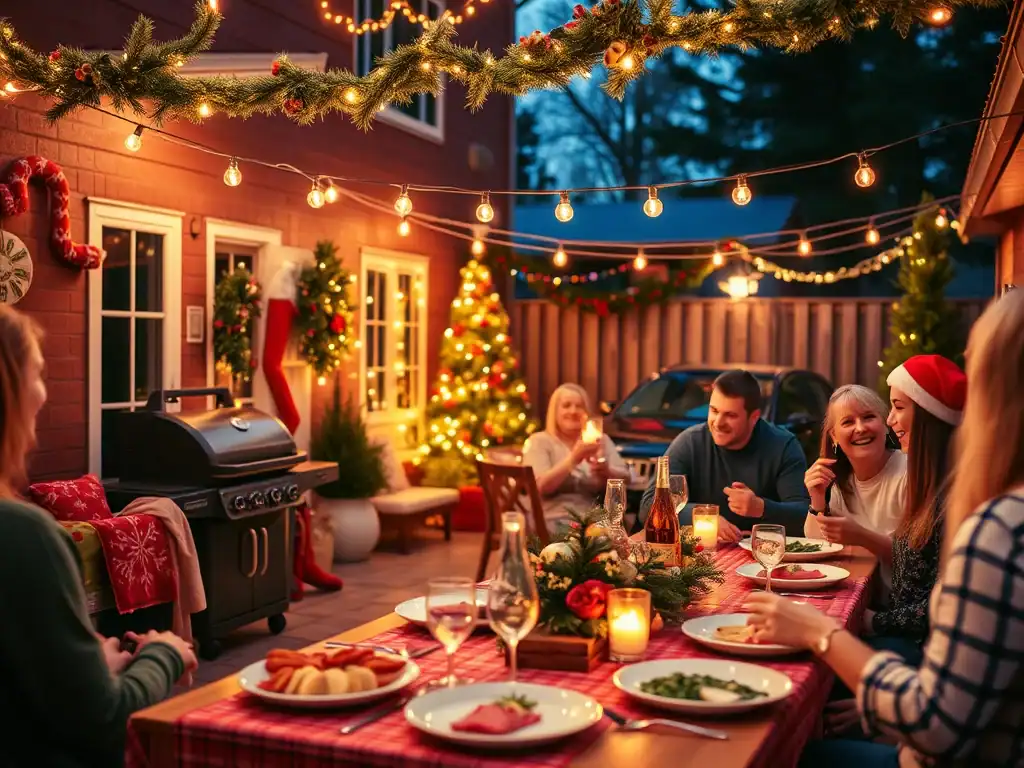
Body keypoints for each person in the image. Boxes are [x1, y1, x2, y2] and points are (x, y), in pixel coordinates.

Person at [744, 292, 1024, 768]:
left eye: (974, 376)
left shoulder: (996, 527)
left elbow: (935, 724)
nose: (887, 423)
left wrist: (823, 634)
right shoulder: (974, 503)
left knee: (791, 752)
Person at [0, 305, 197, 767]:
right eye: (39, 373)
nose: (45, 395)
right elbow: (103, 724)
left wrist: (91, 671)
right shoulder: (24, 537)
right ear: (9, 395)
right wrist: (164, 654)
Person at [638, 369, 810, 539]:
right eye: (714, 411)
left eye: (730, 415)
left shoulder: (783, 446)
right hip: (700, 555)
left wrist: (761, 508)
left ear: (754, 418)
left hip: (763, 555)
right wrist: (703, 516)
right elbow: (648, 507)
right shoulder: (690, 442)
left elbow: (805, 516)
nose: (718, 423)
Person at [804, 384, 906, 593]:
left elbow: (918, 561)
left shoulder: (908, 472)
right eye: (848, 422)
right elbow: (819, 547)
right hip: (859, 595)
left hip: (898, 608)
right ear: (834, 436)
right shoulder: (841, 482)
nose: (860, 428)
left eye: (868, 417)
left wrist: (861, 536)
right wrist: (817, 499)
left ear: (885, 424)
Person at [522, 383, 631, 531]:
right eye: (566, 405)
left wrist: (606, 471)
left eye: (579, 406)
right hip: (552, 519)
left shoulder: (600, 440)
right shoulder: (539, 441)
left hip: (595, 519)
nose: (573, 411)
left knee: (621, 537)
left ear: (586, 412)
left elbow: (626, 477)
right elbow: (540, 487)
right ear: (555, 411)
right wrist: (573, 458)